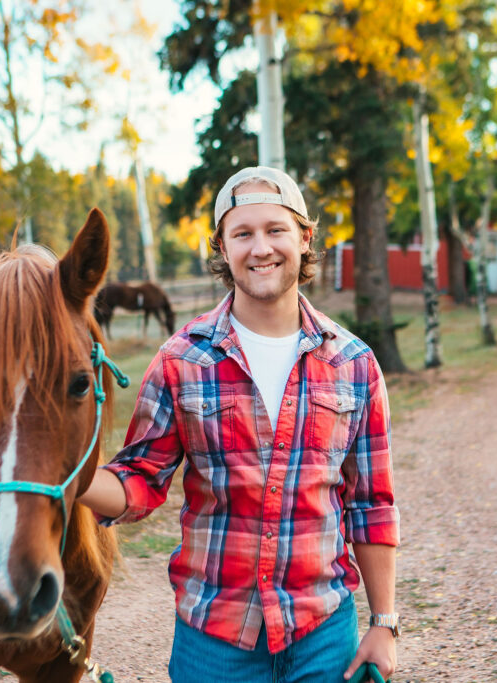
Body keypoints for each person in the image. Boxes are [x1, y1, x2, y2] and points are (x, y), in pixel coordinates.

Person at [80, 166, 400, 683]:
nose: (261, 248)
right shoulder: (180, 360)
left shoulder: (354, 364)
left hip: (323, 637)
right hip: (214, 643)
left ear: (304, 236)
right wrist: (70, 478)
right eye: (242, 233)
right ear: (223, 249)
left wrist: (384, 622)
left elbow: (372, 505)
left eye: (275, 230)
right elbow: (140, 479)